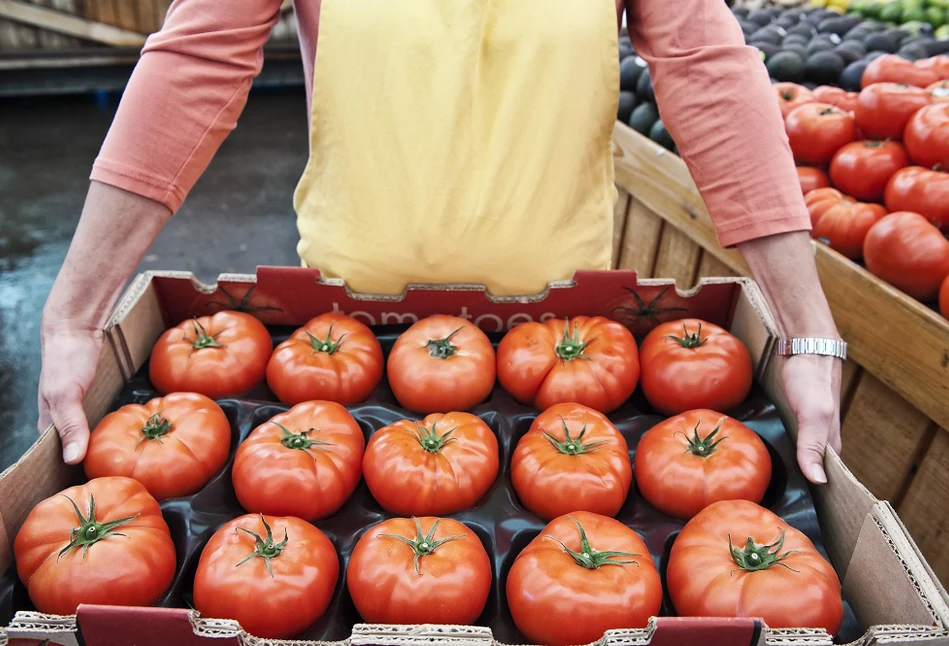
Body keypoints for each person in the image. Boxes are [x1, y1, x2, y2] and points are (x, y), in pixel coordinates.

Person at [38, 0, 844, 484]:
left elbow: (706, 72)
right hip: (343, 329)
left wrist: (805, 328)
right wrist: (77, 313)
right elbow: (196, 61)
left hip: (567, 334)